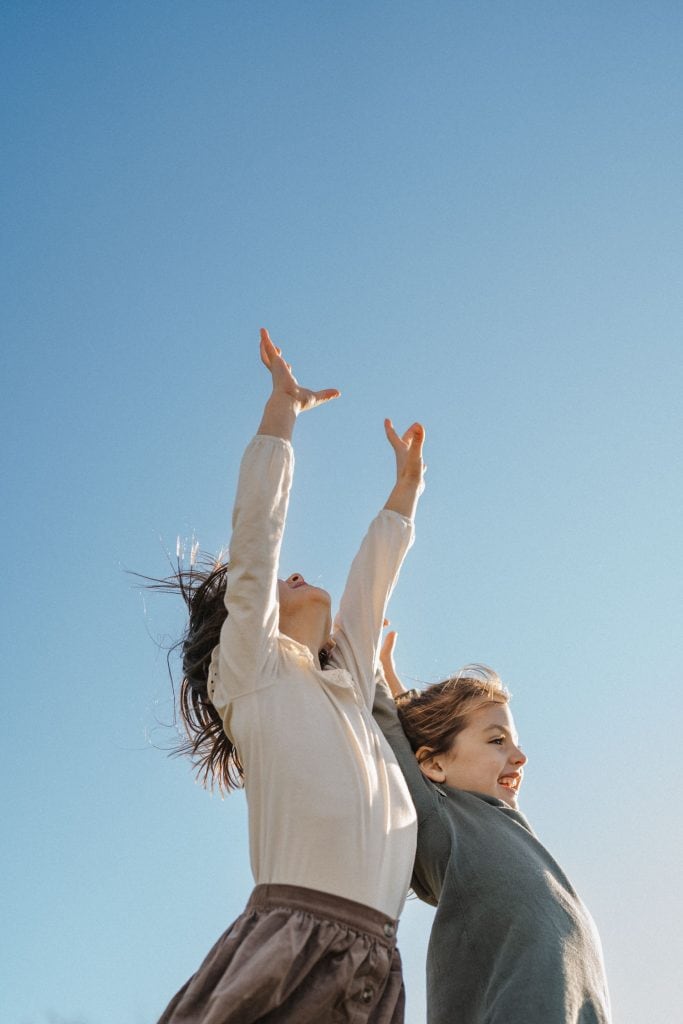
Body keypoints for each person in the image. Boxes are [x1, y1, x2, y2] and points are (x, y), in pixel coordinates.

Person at [155, 328, 426, 1024]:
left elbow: (369, 594)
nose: (293, 572)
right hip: (293, 939)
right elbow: (255, 542)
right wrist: (282, 412)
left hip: (376, 964)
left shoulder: (346, 687)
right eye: (279, 582)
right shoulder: (251, 674)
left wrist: (404, 493)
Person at [374, 634, 612, 1024]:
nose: (520, 757)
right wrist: (375, 670)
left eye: (514, 743)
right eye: (497, 741)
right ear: (434, 767)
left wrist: (401, 695)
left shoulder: (507, 827)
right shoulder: (446, 823)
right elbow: (391, 733)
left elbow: (423, 740)